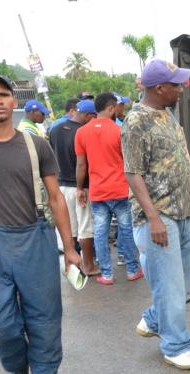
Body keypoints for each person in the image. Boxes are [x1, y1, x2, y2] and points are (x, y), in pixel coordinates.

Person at [0, 73, 82, 374]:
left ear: (14, 101)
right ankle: (17, 366)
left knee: (45, 318)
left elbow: (55, 198)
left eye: (4, 94)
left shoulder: (36, 146)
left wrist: (71, 250)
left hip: (35, 238)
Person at [122, 59, 190, 370]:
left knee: (182, 281)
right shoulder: (136, 122)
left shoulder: (167, 114)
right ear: (159, 88)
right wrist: (153, 217)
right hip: (159, 217)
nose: (183, 88)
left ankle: (155, 318)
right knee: (170, 285)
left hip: (181, 214)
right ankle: (175, 345)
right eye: (177, 84)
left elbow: (174, 162)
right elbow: (133, 173)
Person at [76, 92, 142, 284]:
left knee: (100, 232)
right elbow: (130, 163)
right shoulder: (119, 130)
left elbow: (81, 165)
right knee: (126, 229)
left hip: (97, 191)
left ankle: (106, 274)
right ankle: (131, 270)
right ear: (111, 108)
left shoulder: (82, 133)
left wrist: (80, 188)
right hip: (120, 189)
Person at [49, 98, 98, 275]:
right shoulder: (83, 132)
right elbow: (83, 164)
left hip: (61, 184)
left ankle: (71, 265)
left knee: (70, 228)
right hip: (80, 186)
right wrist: (81, 187)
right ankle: (89, 266)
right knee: (85, 227)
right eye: (93, 116)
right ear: (87, 115)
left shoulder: (54, 130)